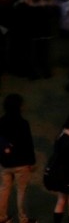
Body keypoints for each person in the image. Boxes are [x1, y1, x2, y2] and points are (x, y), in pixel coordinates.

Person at [0, 94, 35, 223]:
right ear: (19, 107)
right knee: (21, 191)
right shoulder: (23, 124)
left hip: (5, 163)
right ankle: (23, 219)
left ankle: (2, 217)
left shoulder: (1, 122)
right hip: (21, 163)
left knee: (4, 189)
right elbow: (28, 144)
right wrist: (31, 161)